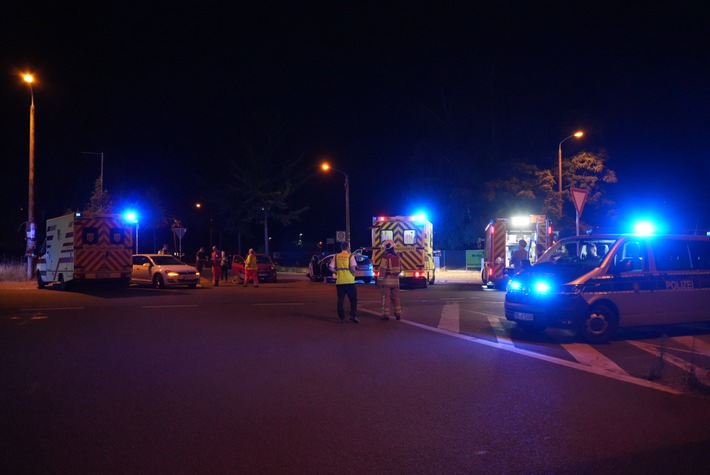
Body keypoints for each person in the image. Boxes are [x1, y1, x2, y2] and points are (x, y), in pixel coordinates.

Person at [329, 241, 358, 323]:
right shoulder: (350, 256)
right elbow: (353, 268)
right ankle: (353, 316)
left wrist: (336, 272)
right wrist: (354, 274)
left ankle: (341, 317)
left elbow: (330, 267)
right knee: (353, 300)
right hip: (350, 282)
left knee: (340, 300)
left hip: (340, 282)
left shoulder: (336, 256)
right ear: (348, 247)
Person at [378, 240, 402, 321]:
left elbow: (382, 269)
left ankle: (385, 315)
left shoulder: (385, 257)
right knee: (396, 297)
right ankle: (398, 314)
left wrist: (380, 280)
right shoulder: (398, 257)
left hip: (387, 281)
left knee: (386, 298)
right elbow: (401, 269)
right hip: (396, 281)